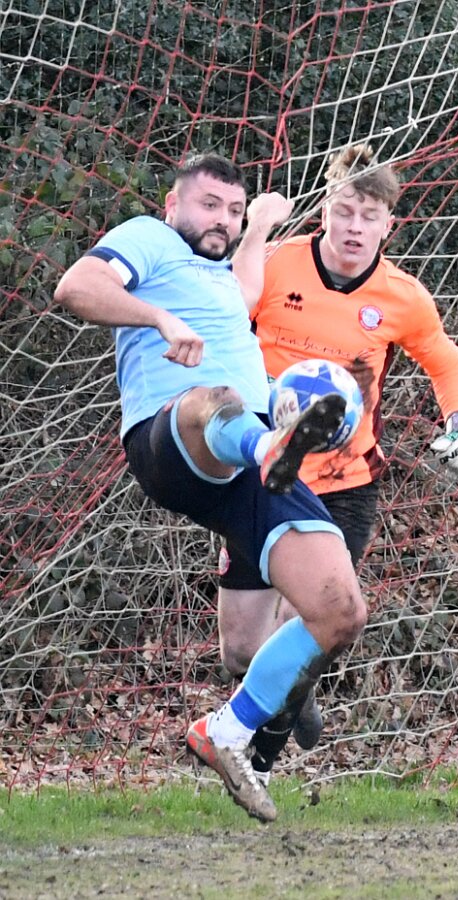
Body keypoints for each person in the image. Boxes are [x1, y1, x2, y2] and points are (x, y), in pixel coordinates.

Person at [53, 153, 367, 823]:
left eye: (232, 210)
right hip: (172, 438)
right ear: (173, 205)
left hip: (248, 462)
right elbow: (75, 285)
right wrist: (158, 319)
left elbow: (244, 288)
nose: (221, 219)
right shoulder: (149, 238)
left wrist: (261, 225)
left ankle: (225, 731)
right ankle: (272, 446)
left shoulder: (222, 276)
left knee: (339, 610)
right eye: (209, 206)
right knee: (215, 398)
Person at [221, 143, 458, 785]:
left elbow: (445, 360)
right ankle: (297, 691)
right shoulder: (278, 265)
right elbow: (226, 318)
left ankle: (256, 769)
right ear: (325, 213)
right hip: (262, 475)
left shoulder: (402, 297)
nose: (354, 227)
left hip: (344, 485)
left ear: (389, 225)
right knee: (242, 650)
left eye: (369, 216)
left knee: (308, 623)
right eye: (344, 211)